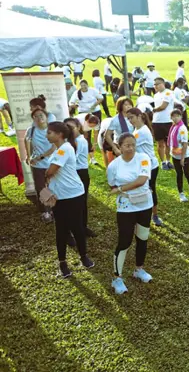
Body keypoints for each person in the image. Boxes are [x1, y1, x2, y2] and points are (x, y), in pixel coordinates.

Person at [106, 131, 155, 295]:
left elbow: (142, 180)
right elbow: (111, 184)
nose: (131, 148)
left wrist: (120, 189)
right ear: (119, 147)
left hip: (145, 204)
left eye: (133, 145)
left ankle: (138, 269)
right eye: (127, 145)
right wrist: (119, 190)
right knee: (124, 242)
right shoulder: (114, 165)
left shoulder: (143, 158)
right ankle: (117, 278)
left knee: (142, 238)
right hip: (126, 207)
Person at [45, 121, 94, 277]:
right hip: (60, 196)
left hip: (73, 195)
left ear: (59, 134)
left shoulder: (64, 149)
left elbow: (51, 170)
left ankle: (83, 256)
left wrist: (47, 172)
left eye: (50, 132)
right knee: (61, 230)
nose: (47, 135)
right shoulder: (58, 149)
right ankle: (62, 263)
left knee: (77, 227)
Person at [126, 108, 163, 227]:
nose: (130, 120)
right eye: (128, 118)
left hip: (150, 167)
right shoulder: (137, 129)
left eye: (131, 117)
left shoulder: (140, 132)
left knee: (150, 191)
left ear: (139, 116)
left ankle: (154, 215)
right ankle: (144, 214)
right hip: (144, 166)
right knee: (144, 190)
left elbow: (128, 147)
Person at [64, 118, 94, 237]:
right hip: (72, 173)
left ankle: (82, 227)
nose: (70, 130)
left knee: (82, 202)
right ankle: (75, 228)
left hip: (81, 173)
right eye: (67, 128)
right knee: (72, 202)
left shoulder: (81, 140)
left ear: (78, 127)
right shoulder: (69, 141)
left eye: (72, 128)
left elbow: (73, 159)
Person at [25, 109, 56, 223]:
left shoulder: (52, 129)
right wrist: (29, 156)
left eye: (41, 115)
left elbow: (54, 148)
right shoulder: (31, 130)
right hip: (38, 166)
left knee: (53, 186)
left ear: (46, 116)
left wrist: (40, 157)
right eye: (36, 116)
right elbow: (26, 140)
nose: (39, 117)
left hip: (52, 163)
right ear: (33, 119)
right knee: (41, 188)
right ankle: (46, 211)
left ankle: (55, 209)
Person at [169, 108, 189, 203]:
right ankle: (181, 193)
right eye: (173, 116)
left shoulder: (182, 128)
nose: (175, 118)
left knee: (187, 173)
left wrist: (182, 158)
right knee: (179, 174)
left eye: (177, 116)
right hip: (175, 155)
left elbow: (185, 144)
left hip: (183, 156)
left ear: (181, 116)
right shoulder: (173, 127)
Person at [152, 77, 175, 171]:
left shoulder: (168, 93)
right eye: (154, 84)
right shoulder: (156, 95)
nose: (156, 86)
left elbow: (163, 106)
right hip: (156, 121)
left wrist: (154, 109)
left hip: (167, 121)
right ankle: (162, 162)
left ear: (163, 84)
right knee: (160, 143)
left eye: (157, 84)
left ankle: (168, 160)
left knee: (168, 143)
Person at [104, 97, 135, 166]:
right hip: (121, 146)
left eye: (130, 104)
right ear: (120, 106)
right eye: (126, 105)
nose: (128, 106)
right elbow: (107, 135)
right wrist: (114, 148)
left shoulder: (134, 116)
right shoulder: (115, 120)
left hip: (133, 144)